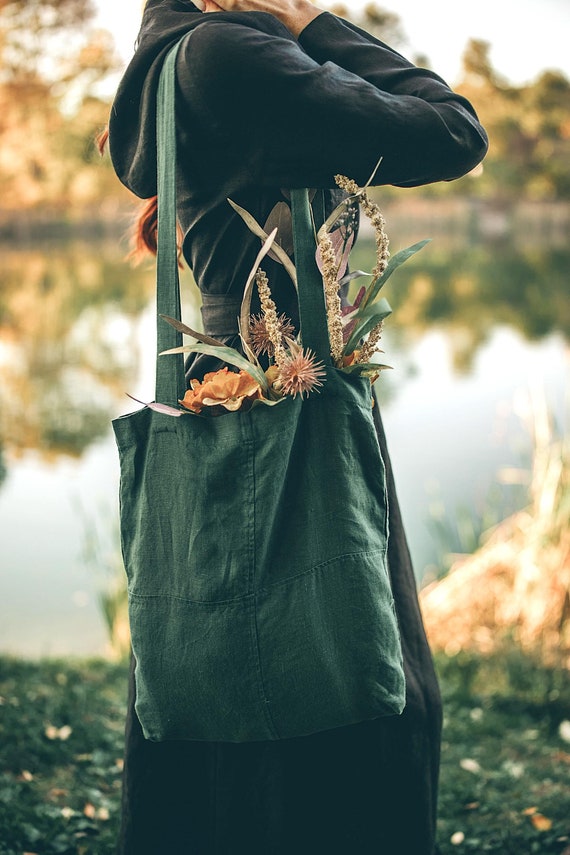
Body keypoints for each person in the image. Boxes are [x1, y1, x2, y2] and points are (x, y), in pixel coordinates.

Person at [107, 0, 488, 852]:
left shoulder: (178, 57)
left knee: (227, 654)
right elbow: (452, 131)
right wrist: (315, 24)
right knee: (343, 676)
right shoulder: (228, 54)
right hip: (286, 398)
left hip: (226, 386)